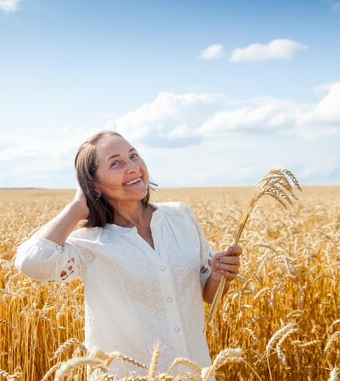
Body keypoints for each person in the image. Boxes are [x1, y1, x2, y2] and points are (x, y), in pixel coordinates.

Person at [14, 130, 242, 378]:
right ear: (94, 185)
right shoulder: (89, 244)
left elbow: (208, 295)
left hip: (193, 372)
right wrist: (78, 206)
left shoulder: (181, 217)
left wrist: (220, 276)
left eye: (134, 156)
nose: (133, 167)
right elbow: (30, 261)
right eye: (116, 163)